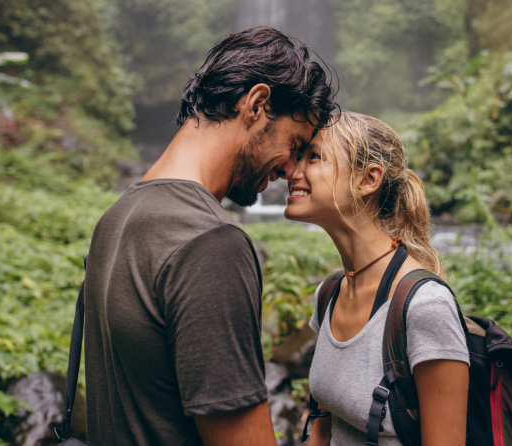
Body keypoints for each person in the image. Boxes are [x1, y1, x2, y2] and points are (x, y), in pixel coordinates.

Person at [83, 27, 337, 446]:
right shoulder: (210, 243)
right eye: (295, 144)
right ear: (256, 105)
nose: (292, 171)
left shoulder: (116, 218)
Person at [284, 112, 469, 446]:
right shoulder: (329, 294)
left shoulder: (425, 306)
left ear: (367, 179)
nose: (291, 171)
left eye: (313, 157)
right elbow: (322, 431)